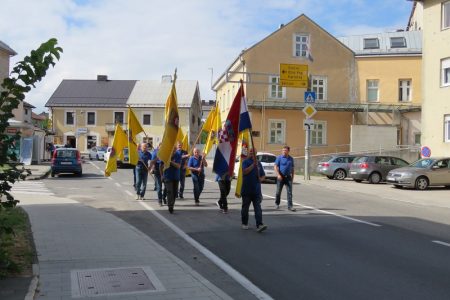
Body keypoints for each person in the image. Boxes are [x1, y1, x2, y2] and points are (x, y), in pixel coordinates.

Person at [241, 147, 267, 232]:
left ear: (256, 154)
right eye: (251, 152)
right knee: (245, 208)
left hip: (256, 191)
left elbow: (263, 175)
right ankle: (244, 223)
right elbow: (244, 172)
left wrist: (261, 179)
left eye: (254, 152)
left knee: (258, 208)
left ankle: (259, 225)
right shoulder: (245, 162)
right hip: (247, 190)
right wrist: (253, 165)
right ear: (249, 153)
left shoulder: (259, 164)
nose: (252, 153)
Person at [160, 146, 181, 213]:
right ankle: (170, 206)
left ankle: (172, 204)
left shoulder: (178, 155)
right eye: (172, 150)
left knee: (175, 193)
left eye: (174, 150)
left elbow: (178, 166)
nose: (173, 152)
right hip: (167, 176)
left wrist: (171, 162)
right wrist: (161, 175)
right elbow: (160, 166)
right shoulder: (165, 155)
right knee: (169, 191)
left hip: (175, 177)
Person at [274, 145, 296, 211]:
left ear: (288, 151)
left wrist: (292, 179)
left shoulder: (291, 159)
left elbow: (292, 169)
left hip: (288, 177)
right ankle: (277, 203)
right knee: (278, 192)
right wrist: (278, 175)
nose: (284, 152)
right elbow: (275, 167)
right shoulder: (279, 158)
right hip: (280, 177)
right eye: (283, 150)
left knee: (289, 192)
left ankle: (290, 206)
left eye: (285, 150)